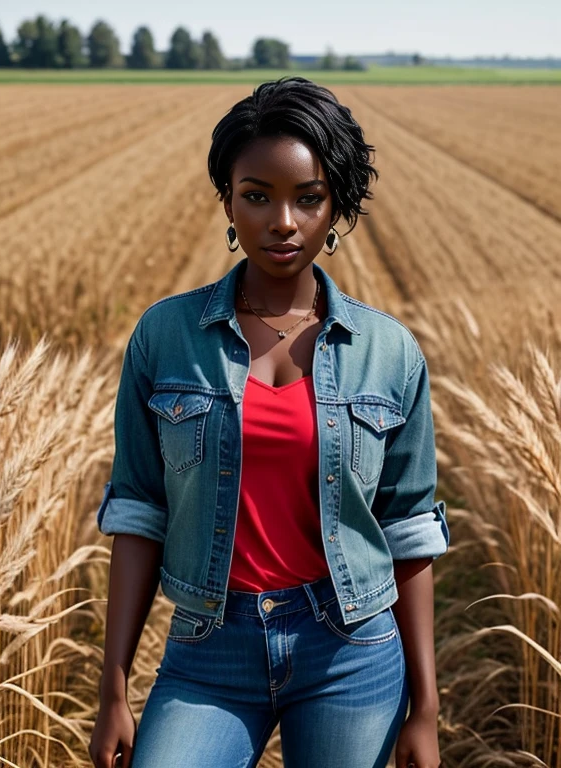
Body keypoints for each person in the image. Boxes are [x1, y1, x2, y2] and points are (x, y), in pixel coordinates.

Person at [89, 76, 450, 768]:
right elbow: (138, 511)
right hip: (209, 648)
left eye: (308, 198)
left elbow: (407, 531)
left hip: (351, 648)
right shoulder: (165, 337)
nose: (282, 221)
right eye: (257, 195)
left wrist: (425, 710)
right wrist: (114, 689)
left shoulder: (390, 352)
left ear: (334, 206)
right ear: (228, 200)